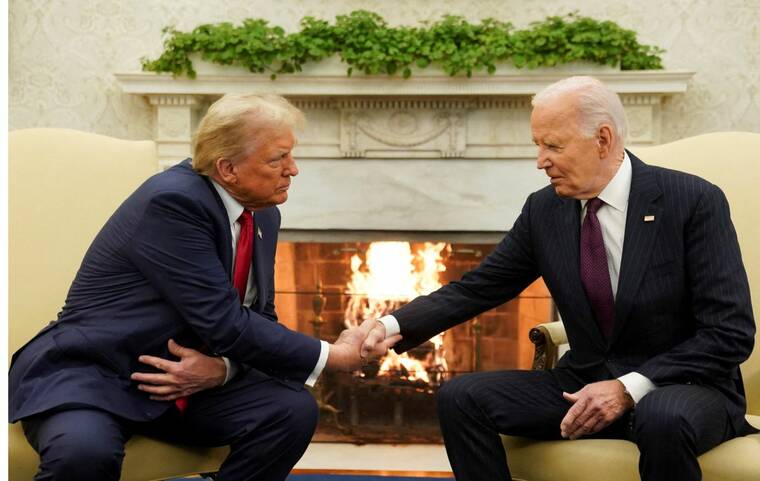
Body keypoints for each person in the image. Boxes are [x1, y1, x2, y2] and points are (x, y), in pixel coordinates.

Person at [362, 76, 757, 481]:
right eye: (538, 145)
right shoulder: (544, 210)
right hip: (583, 382)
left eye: (553, 145)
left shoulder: (691, 201)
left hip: (684, 386)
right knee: (460, 397)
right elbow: (480, 287)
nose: (540, 160)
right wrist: (389, 325)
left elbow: (730, 332)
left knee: (662, 417)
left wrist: (628, 388)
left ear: (603, 139)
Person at [9, 93, 398, 481]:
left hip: (182, 388)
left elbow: (258, 317)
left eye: (290, 156)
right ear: (227, 168)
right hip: (97, 375)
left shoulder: (262, 216)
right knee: (84, 454)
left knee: (289, 410)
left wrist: (223, 370)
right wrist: (334, 355)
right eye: (277, 158)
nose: (292, 170)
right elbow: (225, 323)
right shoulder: (173, 202)